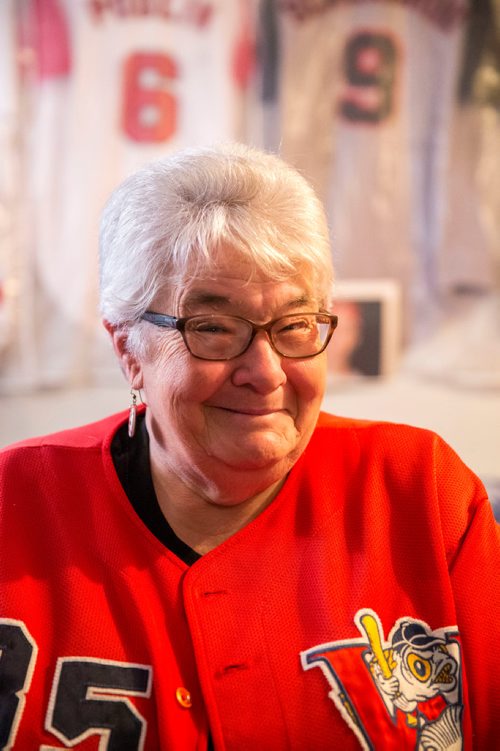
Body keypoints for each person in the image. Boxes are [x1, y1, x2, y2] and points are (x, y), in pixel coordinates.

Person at [0, 143, 498, 750]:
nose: (265, 372)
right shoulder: (15, 505)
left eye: (294, 325)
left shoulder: (420, 491)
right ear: (129, 350)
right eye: (212, 328)